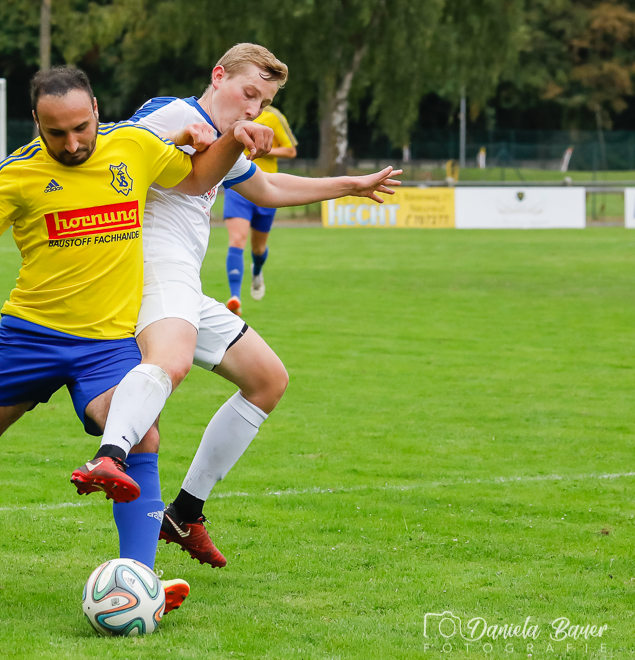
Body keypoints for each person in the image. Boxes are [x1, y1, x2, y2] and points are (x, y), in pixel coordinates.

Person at [0, 66, 272, 616]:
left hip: (105, 344)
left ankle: (139, 580)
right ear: (36, 121)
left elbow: (199, 178)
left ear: (97, 111)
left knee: (142, 436)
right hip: (28, 339)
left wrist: (235, 137)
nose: (73, 143)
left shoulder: (134, 147)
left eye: (82, 128)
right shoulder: (16, 173)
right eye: (57, 133)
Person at [70, 44, 401, 568]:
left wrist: (352, 185)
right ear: (218, 75)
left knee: (268, 380)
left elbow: (267, 187)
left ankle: (185, 512)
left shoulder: (226, 141)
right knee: (170, 362)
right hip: (150, 272)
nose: (253, 108)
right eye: (249, 93)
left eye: (263, 103)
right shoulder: (174, 114)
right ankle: (110, 456)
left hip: (182, 285)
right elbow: (112, 146)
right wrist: (183, 138)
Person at [223, 105, 297, 315]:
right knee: (237, 240)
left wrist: (262, 148)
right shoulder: (231, 113)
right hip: (237, 186)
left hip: (266, 188)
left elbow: (291, 150)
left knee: (258, 248)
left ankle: (257, 270)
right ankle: (235, 298)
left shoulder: (274, 116)